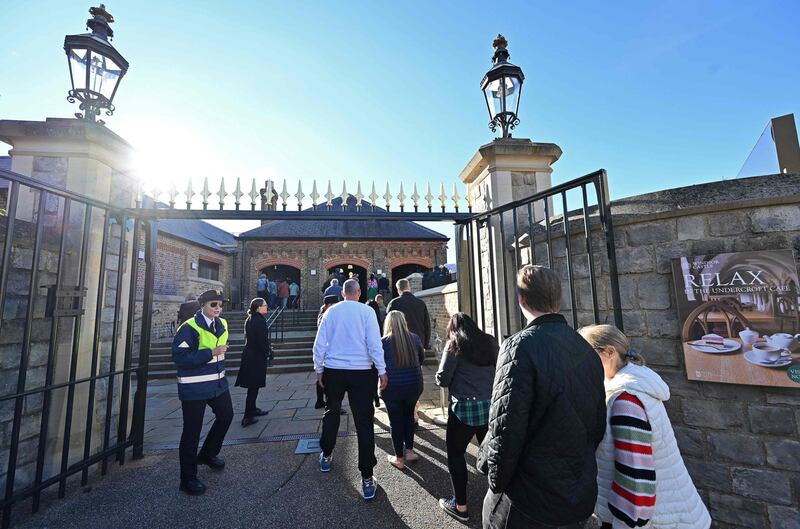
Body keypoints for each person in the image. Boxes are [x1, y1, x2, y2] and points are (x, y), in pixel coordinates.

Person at [477, 265, 606, 529]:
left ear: (522, 299)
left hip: (528, 500)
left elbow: (505, 427)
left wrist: (496, 483)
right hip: (576, 493)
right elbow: (597, 423)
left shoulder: (518, 346)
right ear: (557, 299)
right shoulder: (585, 347)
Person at [578, 324, 711, 529]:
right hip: (669, 513)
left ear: (610, 352)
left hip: (657, 521)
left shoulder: (626, 401)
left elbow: (636, 479)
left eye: (586, 355)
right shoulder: (634, 384)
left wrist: (625, 524)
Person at [313, 279, 387, 500]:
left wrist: (319, 369)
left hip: (334, 370)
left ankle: (326, 454)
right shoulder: (366, 312)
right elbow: (374, 343)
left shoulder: (331, 312)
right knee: (364, 422)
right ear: (359, 292)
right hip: (361, 371)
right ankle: (366, 477)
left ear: (343, 293)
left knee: (331, 411)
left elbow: (320, 342)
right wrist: (382, 370)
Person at [435, 313, 499, 523]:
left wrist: (437, 375)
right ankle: (502, 497)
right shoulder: (489, 341)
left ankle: (460, 506)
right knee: (492, 453)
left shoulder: (453, 345)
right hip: (489, 406)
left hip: (464, 408)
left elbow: (443, 379)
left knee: (455, 455)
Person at [171, 289, 233, 496]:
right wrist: (211, 353)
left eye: (220, 305)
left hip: (217, 384)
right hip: (194, 387)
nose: (218, 309)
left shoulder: (222, 324)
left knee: (226, 417)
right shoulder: (188, 328)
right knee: (191, 432)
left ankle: (207, 453)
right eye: (213, 305)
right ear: (203, 305)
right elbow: (181, 359)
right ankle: (187, 479)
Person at [380, 311, 426, 470]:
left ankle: (399, 458)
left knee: (395, 421)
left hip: (392, 388)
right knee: (408, 416)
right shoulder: (414, 338)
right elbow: (421, 359)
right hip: (414, 385)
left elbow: (377, 365)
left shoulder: (383, 342)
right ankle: (410, 451)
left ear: (388, 323)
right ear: (404, 322)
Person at [235, 298, 272, 427]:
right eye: (265, 305)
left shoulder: (250, 318)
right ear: (258, 307)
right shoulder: (259, 320)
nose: (267, 307)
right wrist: (268, 352)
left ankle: (253, 409)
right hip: (255, 357)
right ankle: (247, 416)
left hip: (250, 355)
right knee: (253, 386)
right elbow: (262, 340)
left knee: (253, 386)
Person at [386, 278, 431, 350]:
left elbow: (388, 325)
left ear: (398, 289)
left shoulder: (393, 303)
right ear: (409, 287)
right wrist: (425, 345)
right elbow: (427, 325)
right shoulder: (421, 303)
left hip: (399, 344)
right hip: (419, 342)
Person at [314, 295, 339, 409]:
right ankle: (331, 404)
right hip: (327, 351)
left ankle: (320, 401)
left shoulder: (323, 314)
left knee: (322, 377)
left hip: (325, 350)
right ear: (329, 304)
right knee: (328, 381)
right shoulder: (326, 316)